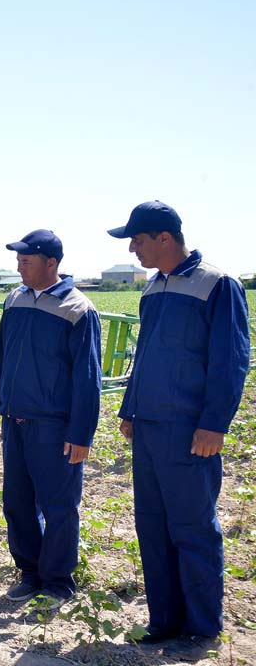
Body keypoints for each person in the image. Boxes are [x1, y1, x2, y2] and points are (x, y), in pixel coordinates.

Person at [108, 200, 250, 661]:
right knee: (152, 526)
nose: (132, 249)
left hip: (190, 431)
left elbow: (230, 360)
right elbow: (145, 354)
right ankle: (164, 620)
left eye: (137, 240)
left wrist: (214, 424)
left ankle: (202, 627)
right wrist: (131, 409)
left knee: (192, 528)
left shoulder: (217, 284)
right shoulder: (152, 289)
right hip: (149, 428)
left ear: (164, 238)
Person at [0, 230, 101, 611]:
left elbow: (87, 378)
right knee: (16, 502)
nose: (19, 266)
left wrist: (81, 434)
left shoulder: (78, 309)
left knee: (59, 505)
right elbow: (1, 355)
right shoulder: (15, 299)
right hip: (15, 422)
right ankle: (30, 572)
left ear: (51, 263)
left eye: (26, 260)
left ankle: (58, 581)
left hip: (54, 427)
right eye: (18, 259)